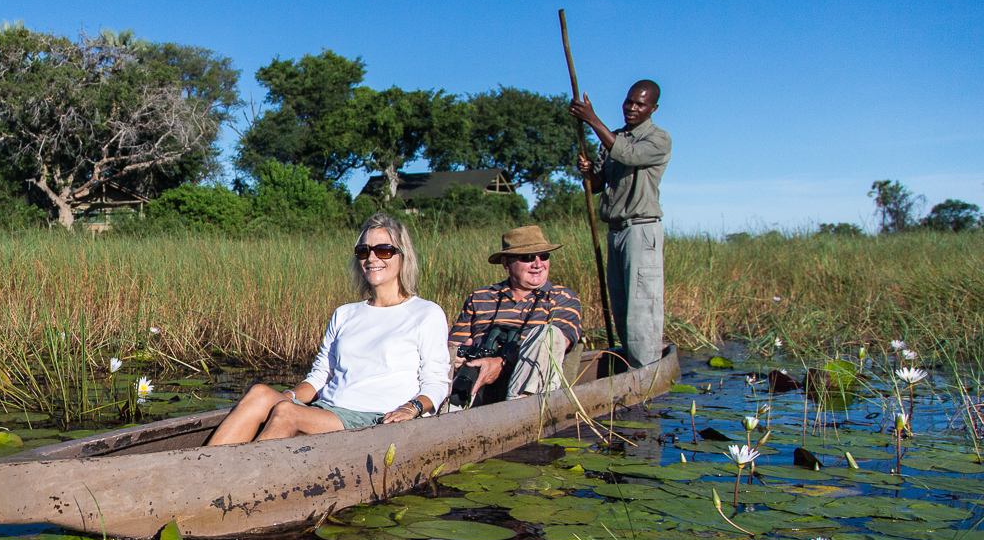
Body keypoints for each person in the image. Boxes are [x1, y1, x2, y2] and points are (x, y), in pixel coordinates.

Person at [208, 213, 451, 444]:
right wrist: (288, 397)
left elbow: (437, 382)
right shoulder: (345, 314)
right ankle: (204, 466)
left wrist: (412, 408)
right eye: (363, 251)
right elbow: (321, 377)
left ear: (402, 256)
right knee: (260, 394)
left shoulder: (425, 313)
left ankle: (242, 471)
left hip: (375, 418)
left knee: (286, 413)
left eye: (384, 250)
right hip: (328, 410)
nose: (372, 258)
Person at [572, 79, 671, 368]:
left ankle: (647, 371)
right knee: (621, 304)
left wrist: (591, 119)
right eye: (629, 101)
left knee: (642, 307)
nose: (632, 108)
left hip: (641, 229)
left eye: (640, 104)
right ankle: (630, 365)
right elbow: (596, 186)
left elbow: (628, 154)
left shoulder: (658, 138)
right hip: (615, 231)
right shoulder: (613, 137)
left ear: (653, 108)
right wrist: (588, 173)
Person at [448, 225, 584, 406]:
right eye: (527, 257)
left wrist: (500, 364)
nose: (538, 264)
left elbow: (558, 342)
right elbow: (454, 344)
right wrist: (458, 356)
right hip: (477, 388)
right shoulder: (480, 297)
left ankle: (519, 408)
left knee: (549, 334)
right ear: (506, 263)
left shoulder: (563, 298)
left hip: (532, 391)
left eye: (544, 256)